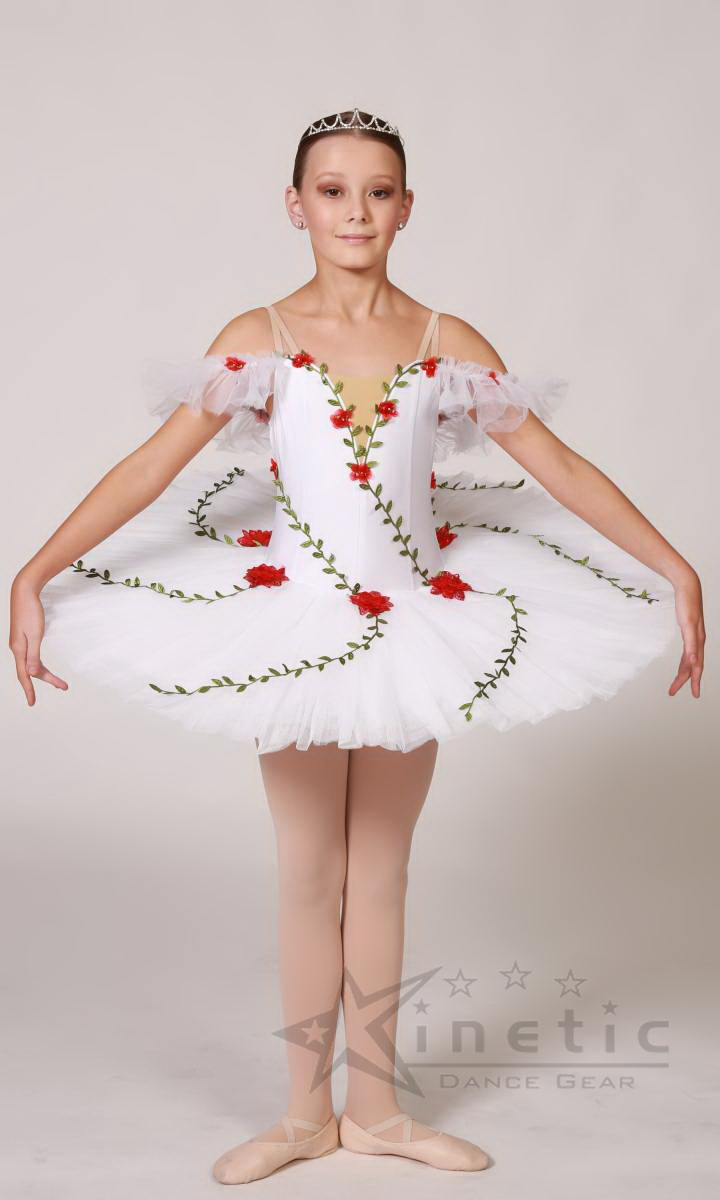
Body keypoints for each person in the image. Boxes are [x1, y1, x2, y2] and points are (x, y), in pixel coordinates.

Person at [9, 107, 705, 1184]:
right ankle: (302, 1114)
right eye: (332, 191)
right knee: (309, 870)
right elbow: (153, 466)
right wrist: (34, 569)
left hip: (413, 624)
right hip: (292, 621)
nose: (355, 212)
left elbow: (559, 467)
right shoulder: (261, 336)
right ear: (296, 207)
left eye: (377, 192)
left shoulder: (446, 342)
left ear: (407, 208)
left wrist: (676, 566)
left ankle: (374, 1110)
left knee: (380, 871)